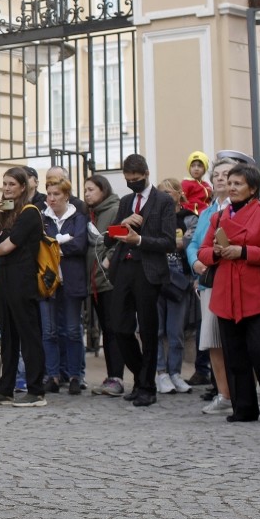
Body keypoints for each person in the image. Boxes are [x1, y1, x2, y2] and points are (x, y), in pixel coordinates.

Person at [200, 165, 260, 423]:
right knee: (234, 354)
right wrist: (216, 252)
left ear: (252, 188)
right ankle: (244, 408)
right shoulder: (218, 217)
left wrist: (244, 252)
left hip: (257, 296)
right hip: (226, 295)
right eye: (230, 183)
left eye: (238, 183)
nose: (232, 187)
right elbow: (204, 251)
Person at [105, 155, 177, 407]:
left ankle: (147, 386)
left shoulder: (164, 201)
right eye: (128, 180)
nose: (132, 183)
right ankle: (140, 375)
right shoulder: (125, 202)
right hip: (123, 268)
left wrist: (139, 240)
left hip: (148, 271)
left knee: (148, 329)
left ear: (146, 174)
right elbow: (109, 238)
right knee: (119, 327)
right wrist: (123, 225)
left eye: (135, 180)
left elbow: (169, 241)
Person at [0, 167, 48, 408]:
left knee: (28, 334)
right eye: (4, 183)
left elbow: (6, 246)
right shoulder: (4, 214)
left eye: (11, 184)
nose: (7, 188)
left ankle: (36, 390)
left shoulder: (30, 213)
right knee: (7, 335)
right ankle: (5, 389)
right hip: (1, 277)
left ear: (23, 187)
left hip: (22, 277)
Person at [188, 162, 235, 415]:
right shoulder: (206, 212)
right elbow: (194, 242)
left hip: (231, 280)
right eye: (215, 175)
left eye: (225, 175)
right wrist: (195, 261)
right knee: (213, 340)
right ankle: (224, 394)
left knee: (233, 339)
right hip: (208, 282)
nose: (219, 179)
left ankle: (241, 391)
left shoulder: (240, 209)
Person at [39, 175, 89, 395]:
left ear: (66, 196)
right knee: (49, 331)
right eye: (49, 194)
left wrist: (55, 245)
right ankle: (53, 375)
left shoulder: (77, 217)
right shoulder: (43, 218)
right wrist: (63, 240)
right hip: (48, 281)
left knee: (72, 330)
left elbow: (79, 244)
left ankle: (75, 375)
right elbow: (39, 244)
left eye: (56, 194)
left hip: (72, 280)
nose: (51, 198)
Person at [83, 174, 123, 395]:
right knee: (106, 329)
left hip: (109, 281)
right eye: (85, 190)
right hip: (94, 281)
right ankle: (111, 376)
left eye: (91, 189)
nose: (87, 193)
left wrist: (109, 259)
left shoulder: (115, 210)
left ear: (103, 190)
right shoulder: (91, 214)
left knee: (113, 330)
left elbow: (118, 240)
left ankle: (117, 376)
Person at [153, 177, 193, 395]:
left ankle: (175, 372)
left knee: (175, 330)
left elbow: (190, 241)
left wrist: (168, 242)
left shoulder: (189, 218)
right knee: (157, 329)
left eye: (170, 192)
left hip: (180, 278)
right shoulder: (153, 216)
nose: (166, 196)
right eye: (162, 192)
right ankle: (161, 373)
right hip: (157, 276)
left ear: (179, 194)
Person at [181, 151, 211, 216]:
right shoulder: (186, 183)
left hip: (206, 213)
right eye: (193, 166)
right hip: (192, 214)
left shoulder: (206, 185)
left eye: (199, 166)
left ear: (204, 169)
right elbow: (182, 200)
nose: (196, 169)